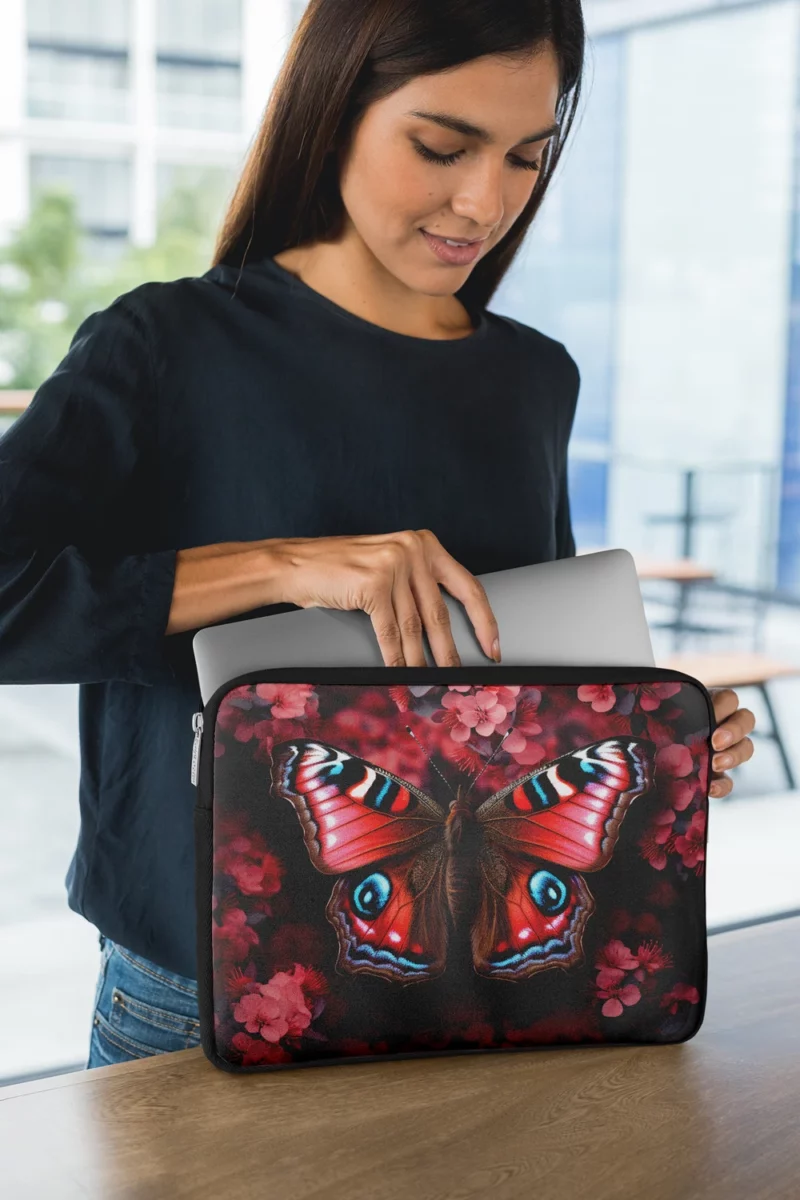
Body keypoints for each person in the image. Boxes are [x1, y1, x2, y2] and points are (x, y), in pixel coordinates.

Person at [0, 0, 753, 1070]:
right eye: (440, 146)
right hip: (200, 995)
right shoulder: (163, 344)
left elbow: (517, 689)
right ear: (332, 109)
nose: (482, 201)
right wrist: (287, 567)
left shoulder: (535, 377)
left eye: (525, 158)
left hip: (489, 986)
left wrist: (651, 738)